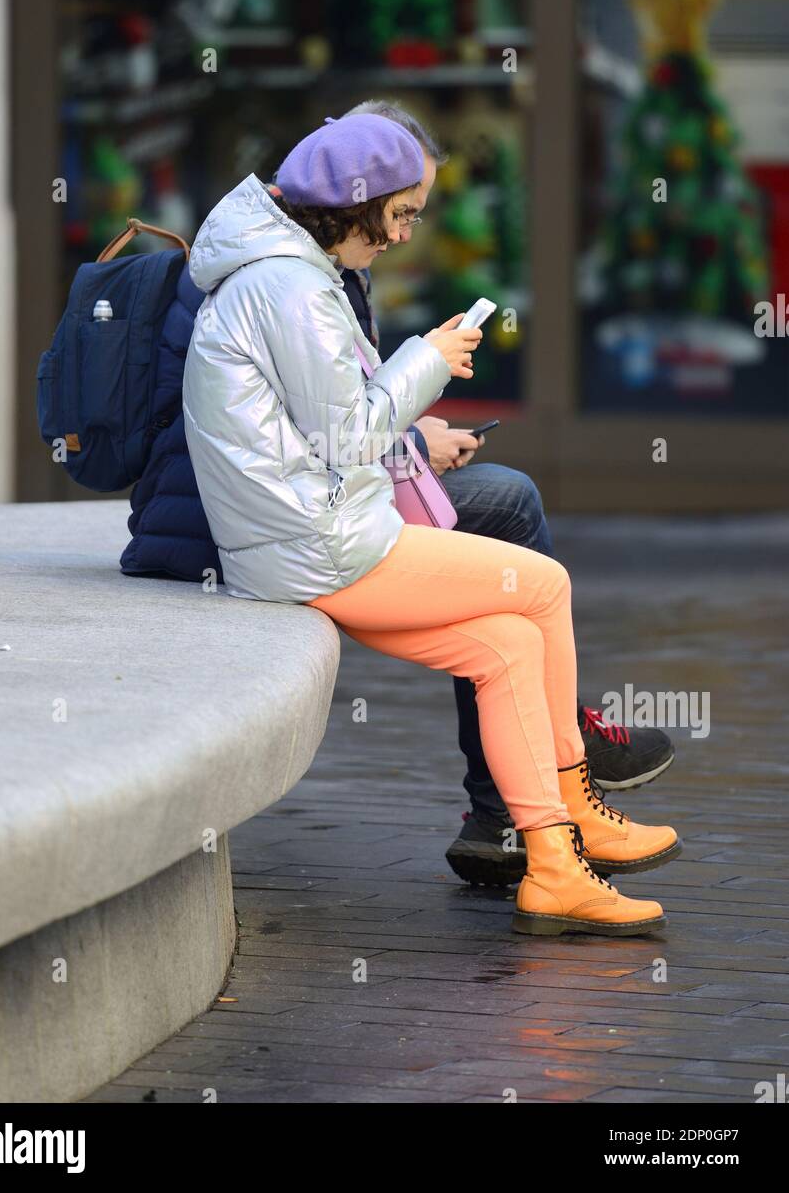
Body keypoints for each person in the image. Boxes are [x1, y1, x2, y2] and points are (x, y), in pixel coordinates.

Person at [121, 102, 673, 890]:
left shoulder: (289, 267)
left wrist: (410, 424)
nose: (408, 232)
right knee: (542, 584)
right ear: (358, 199)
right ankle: (574, 802)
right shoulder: (288, 285)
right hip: (313, 543)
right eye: (403, 212)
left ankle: (551, 864)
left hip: (301, 529)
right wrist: (429, 359)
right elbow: (346, 437)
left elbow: (317, 424)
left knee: (509, 644)